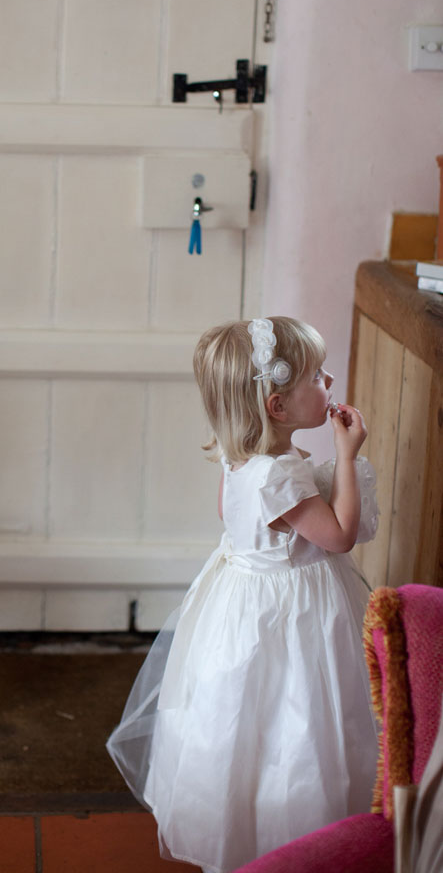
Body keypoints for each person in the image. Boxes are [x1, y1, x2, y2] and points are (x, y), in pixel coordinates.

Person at [106, 317, 379, 873]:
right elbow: (340, 536)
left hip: (242, 603)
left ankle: (247, 834)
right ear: (278, 406)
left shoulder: (243, 458)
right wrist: (346, 456)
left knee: (243, 723)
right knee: (296, 717)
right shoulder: (279, 476)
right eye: (316, 377)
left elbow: (229, 516)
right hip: (292, 615)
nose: (328, 381)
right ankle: (294, 841)